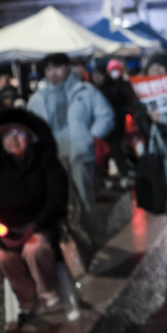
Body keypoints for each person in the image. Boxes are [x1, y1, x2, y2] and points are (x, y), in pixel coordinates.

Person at [0, 108, 68, 324]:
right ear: (0, 141)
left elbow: (57, 202)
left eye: (19, 133)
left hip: (41, 226)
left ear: (31, 137)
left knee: (34, 249)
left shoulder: (48, 165)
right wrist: (2, 232)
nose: (14, 139)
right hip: (4, 232)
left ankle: (48, 295)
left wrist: (34, 226)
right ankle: (27, 301)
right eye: (8, 135)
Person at [27, 53, 114, 241]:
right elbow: (30, 126)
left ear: (68, 67)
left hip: (80, 152)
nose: (53, 72)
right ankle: (69, 241)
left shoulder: (85, 91)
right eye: (48, 68)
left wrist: (91, 137)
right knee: (58, 198)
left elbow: (105, 115)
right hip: (52, 155)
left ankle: (93, 238)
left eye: (57, 67)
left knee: (84, 198)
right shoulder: (38, 98)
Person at [95, 58, 136, 179]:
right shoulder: (95, 90)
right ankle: (105, 175)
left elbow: (126, 103)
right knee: (103, 152)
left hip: (116, 126)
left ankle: (124, 173)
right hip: (101, 128)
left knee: (116, 150)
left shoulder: (118, 87)